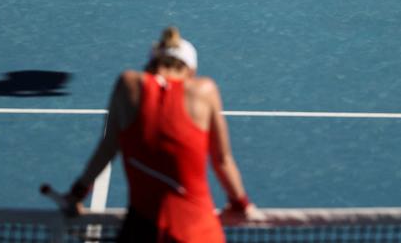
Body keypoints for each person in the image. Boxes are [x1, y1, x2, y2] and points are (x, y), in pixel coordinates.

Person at [63, 27, 256, 242]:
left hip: (141, 232)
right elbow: (222, 160)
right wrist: (241, 204)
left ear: (151, 63)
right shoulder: (204, 90)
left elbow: (108, 148)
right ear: (191, 71)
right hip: (198, 233)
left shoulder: (127, 85)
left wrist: (77, 193)